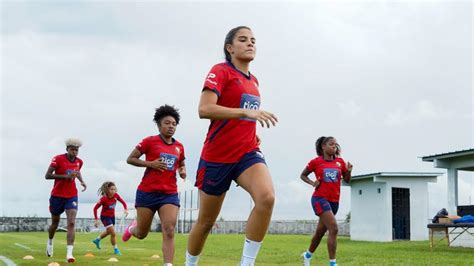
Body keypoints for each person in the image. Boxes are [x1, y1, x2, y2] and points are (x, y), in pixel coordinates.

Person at [185, 26, 278, 266]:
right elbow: (204, 109)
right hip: (217, 156)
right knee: (205, 223)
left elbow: (245, 118)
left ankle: (246, 264)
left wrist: (252, 133)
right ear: (230, 48)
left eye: (253, 40)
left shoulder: (254, 81)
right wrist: (245, 113)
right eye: (243, 40)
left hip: (247, 153)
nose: (250, 44)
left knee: (266, 198)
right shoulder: (221, 71)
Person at [123, 105, 186, 266]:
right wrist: (150, 164)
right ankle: (132, 229)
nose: (171, 126)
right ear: (159, 125)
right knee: (142, 233)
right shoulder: (149, 141)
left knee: (170, 230)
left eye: (174, 124)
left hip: (169, 194)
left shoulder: (179, 146)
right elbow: (130, 159)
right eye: (167, 123)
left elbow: (181, 161)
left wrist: (182, 170)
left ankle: (168, 264)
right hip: (147, 192)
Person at [300, 136, 352, 266]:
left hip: (334, 201)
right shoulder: (316, 162)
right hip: (319, 199)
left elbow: (347, 180)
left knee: (319, 233)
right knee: (333, 228)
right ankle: (333, 263)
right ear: (323, 146)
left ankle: (307, 256)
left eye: (335, 144)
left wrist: (349, 171)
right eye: (331, 144)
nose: (334, 146)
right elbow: (303, 175)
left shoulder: (340, 162)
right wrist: (313, 183)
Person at [45, 138, 87, 263]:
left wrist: (82, 181)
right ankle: (50, 241)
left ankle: (69, 254)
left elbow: (77, 172)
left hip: (71, 196)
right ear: (67, 149)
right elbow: (47, 175)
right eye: (72, 149)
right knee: (55, 224)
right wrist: (65, 177)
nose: (74, 152)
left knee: (72, 223)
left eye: (76, 150)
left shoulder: (80, 161)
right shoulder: (57, 159)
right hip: (57, 196)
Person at [92, 181, 128, 255]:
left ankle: (97, 240)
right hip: (105, 217)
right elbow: (95, 208)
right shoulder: (103, 199)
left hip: (112, 216)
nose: (113, 191)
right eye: (111, 189)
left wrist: (125, 209)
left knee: (109, 232)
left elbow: (123, 202)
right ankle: (116, 249)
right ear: (107, 190)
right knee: (113, 233)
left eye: (114, 189)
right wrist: (96, 219)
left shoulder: (116, 196)